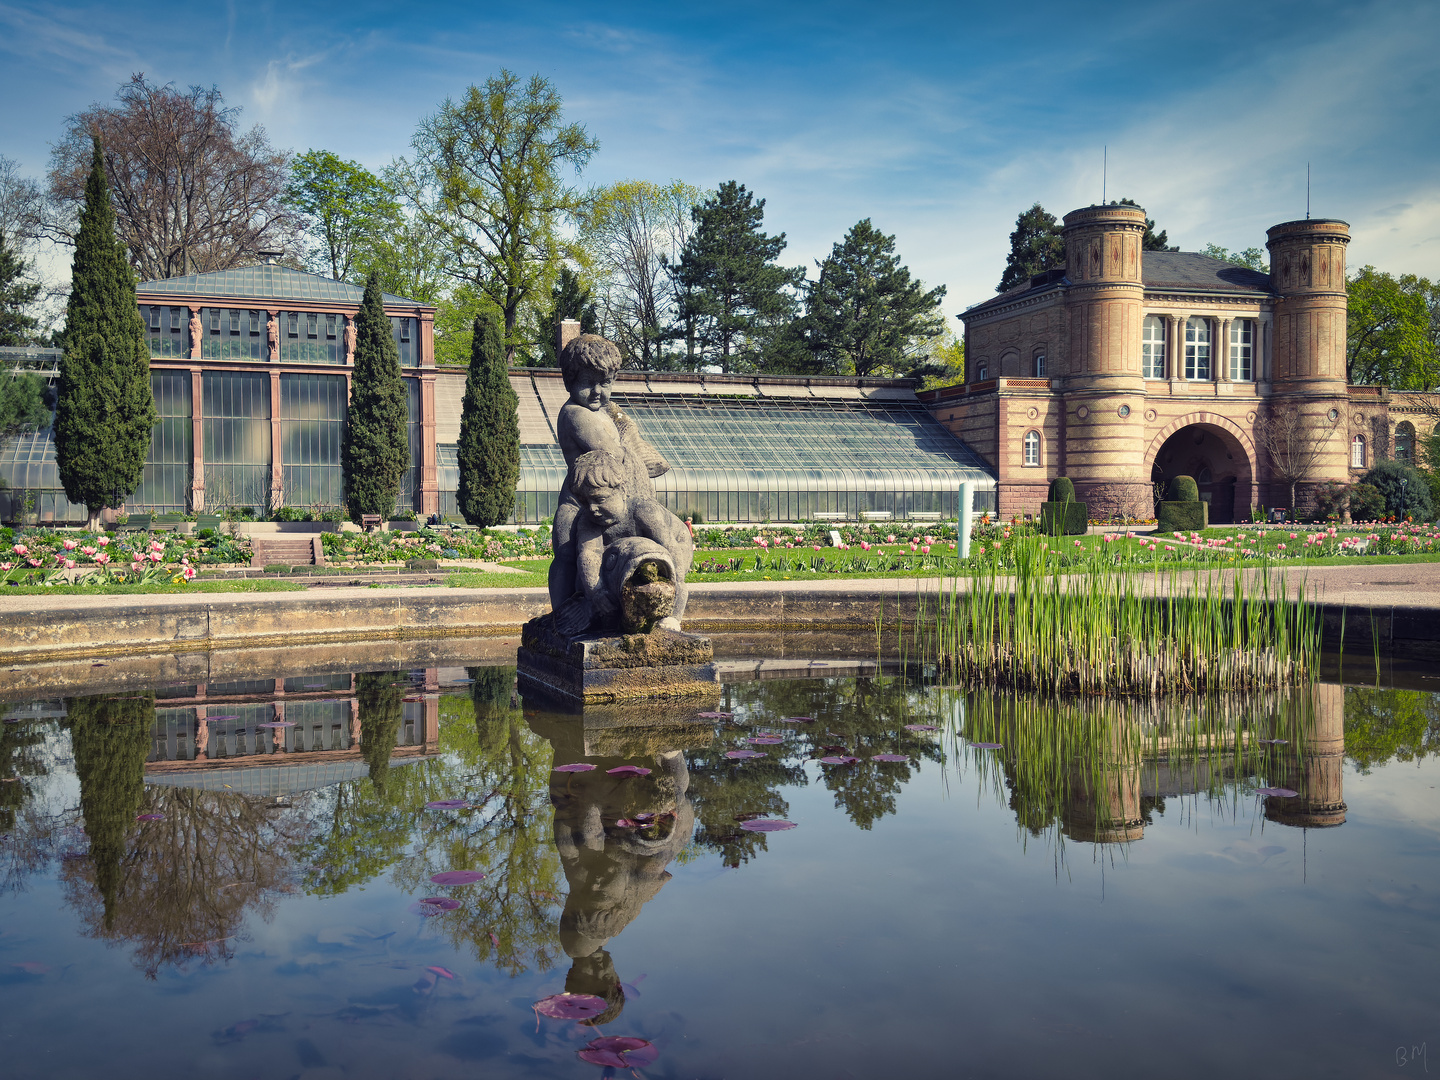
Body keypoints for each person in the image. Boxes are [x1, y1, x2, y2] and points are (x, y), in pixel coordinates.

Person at [549, 336, 669, 620]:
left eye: (605, 383)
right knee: (567, 555)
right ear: (569, 381)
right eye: (589, 382)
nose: (597, 392)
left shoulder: (603, 410)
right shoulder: (576, 414)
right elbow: (611, 452)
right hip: (579, 502)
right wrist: (629, 439)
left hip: (609, 497)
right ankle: (561, 612)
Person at [553, 450, 692, 636]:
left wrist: (677, 582)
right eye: (585, 502)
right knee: (589, 583)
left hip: (675, 541)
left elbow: (670, 545)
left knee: (671, 578)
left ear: (622, 490)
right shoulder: (589, 520)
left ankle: (671, 619)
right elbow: (588, 555)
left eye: (599, 499)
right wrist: (597, 593)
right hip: (630, 555)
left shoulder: (643, 509)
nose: (592, 508)